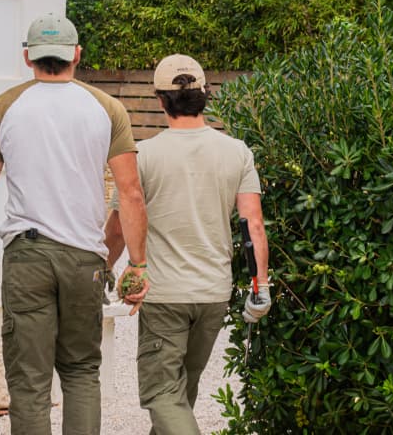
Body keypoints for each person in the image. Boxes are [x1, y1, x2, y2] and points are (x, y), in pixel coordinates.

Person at [0, 12, 149, 434]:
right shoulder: (108, 109)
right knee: (82, 371)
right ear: (76, 55)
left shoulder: (1, 109)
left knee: (29, 382)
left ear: (28, 58)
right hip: (85, 258)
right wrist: (137, 264)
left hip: (27, 257)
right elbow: (131, 193)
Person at [104, 54, 272, 435]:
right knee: (182, 393)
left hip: (165, 294)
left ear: (161, 100)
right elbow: (254, 225)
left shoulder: (143, 156)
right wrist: (260, 287)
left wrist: (102, 269)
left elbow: (117, 228)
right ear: (205, 95)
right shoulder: (237, 152)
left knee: (163, 394)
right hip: (213, 294)